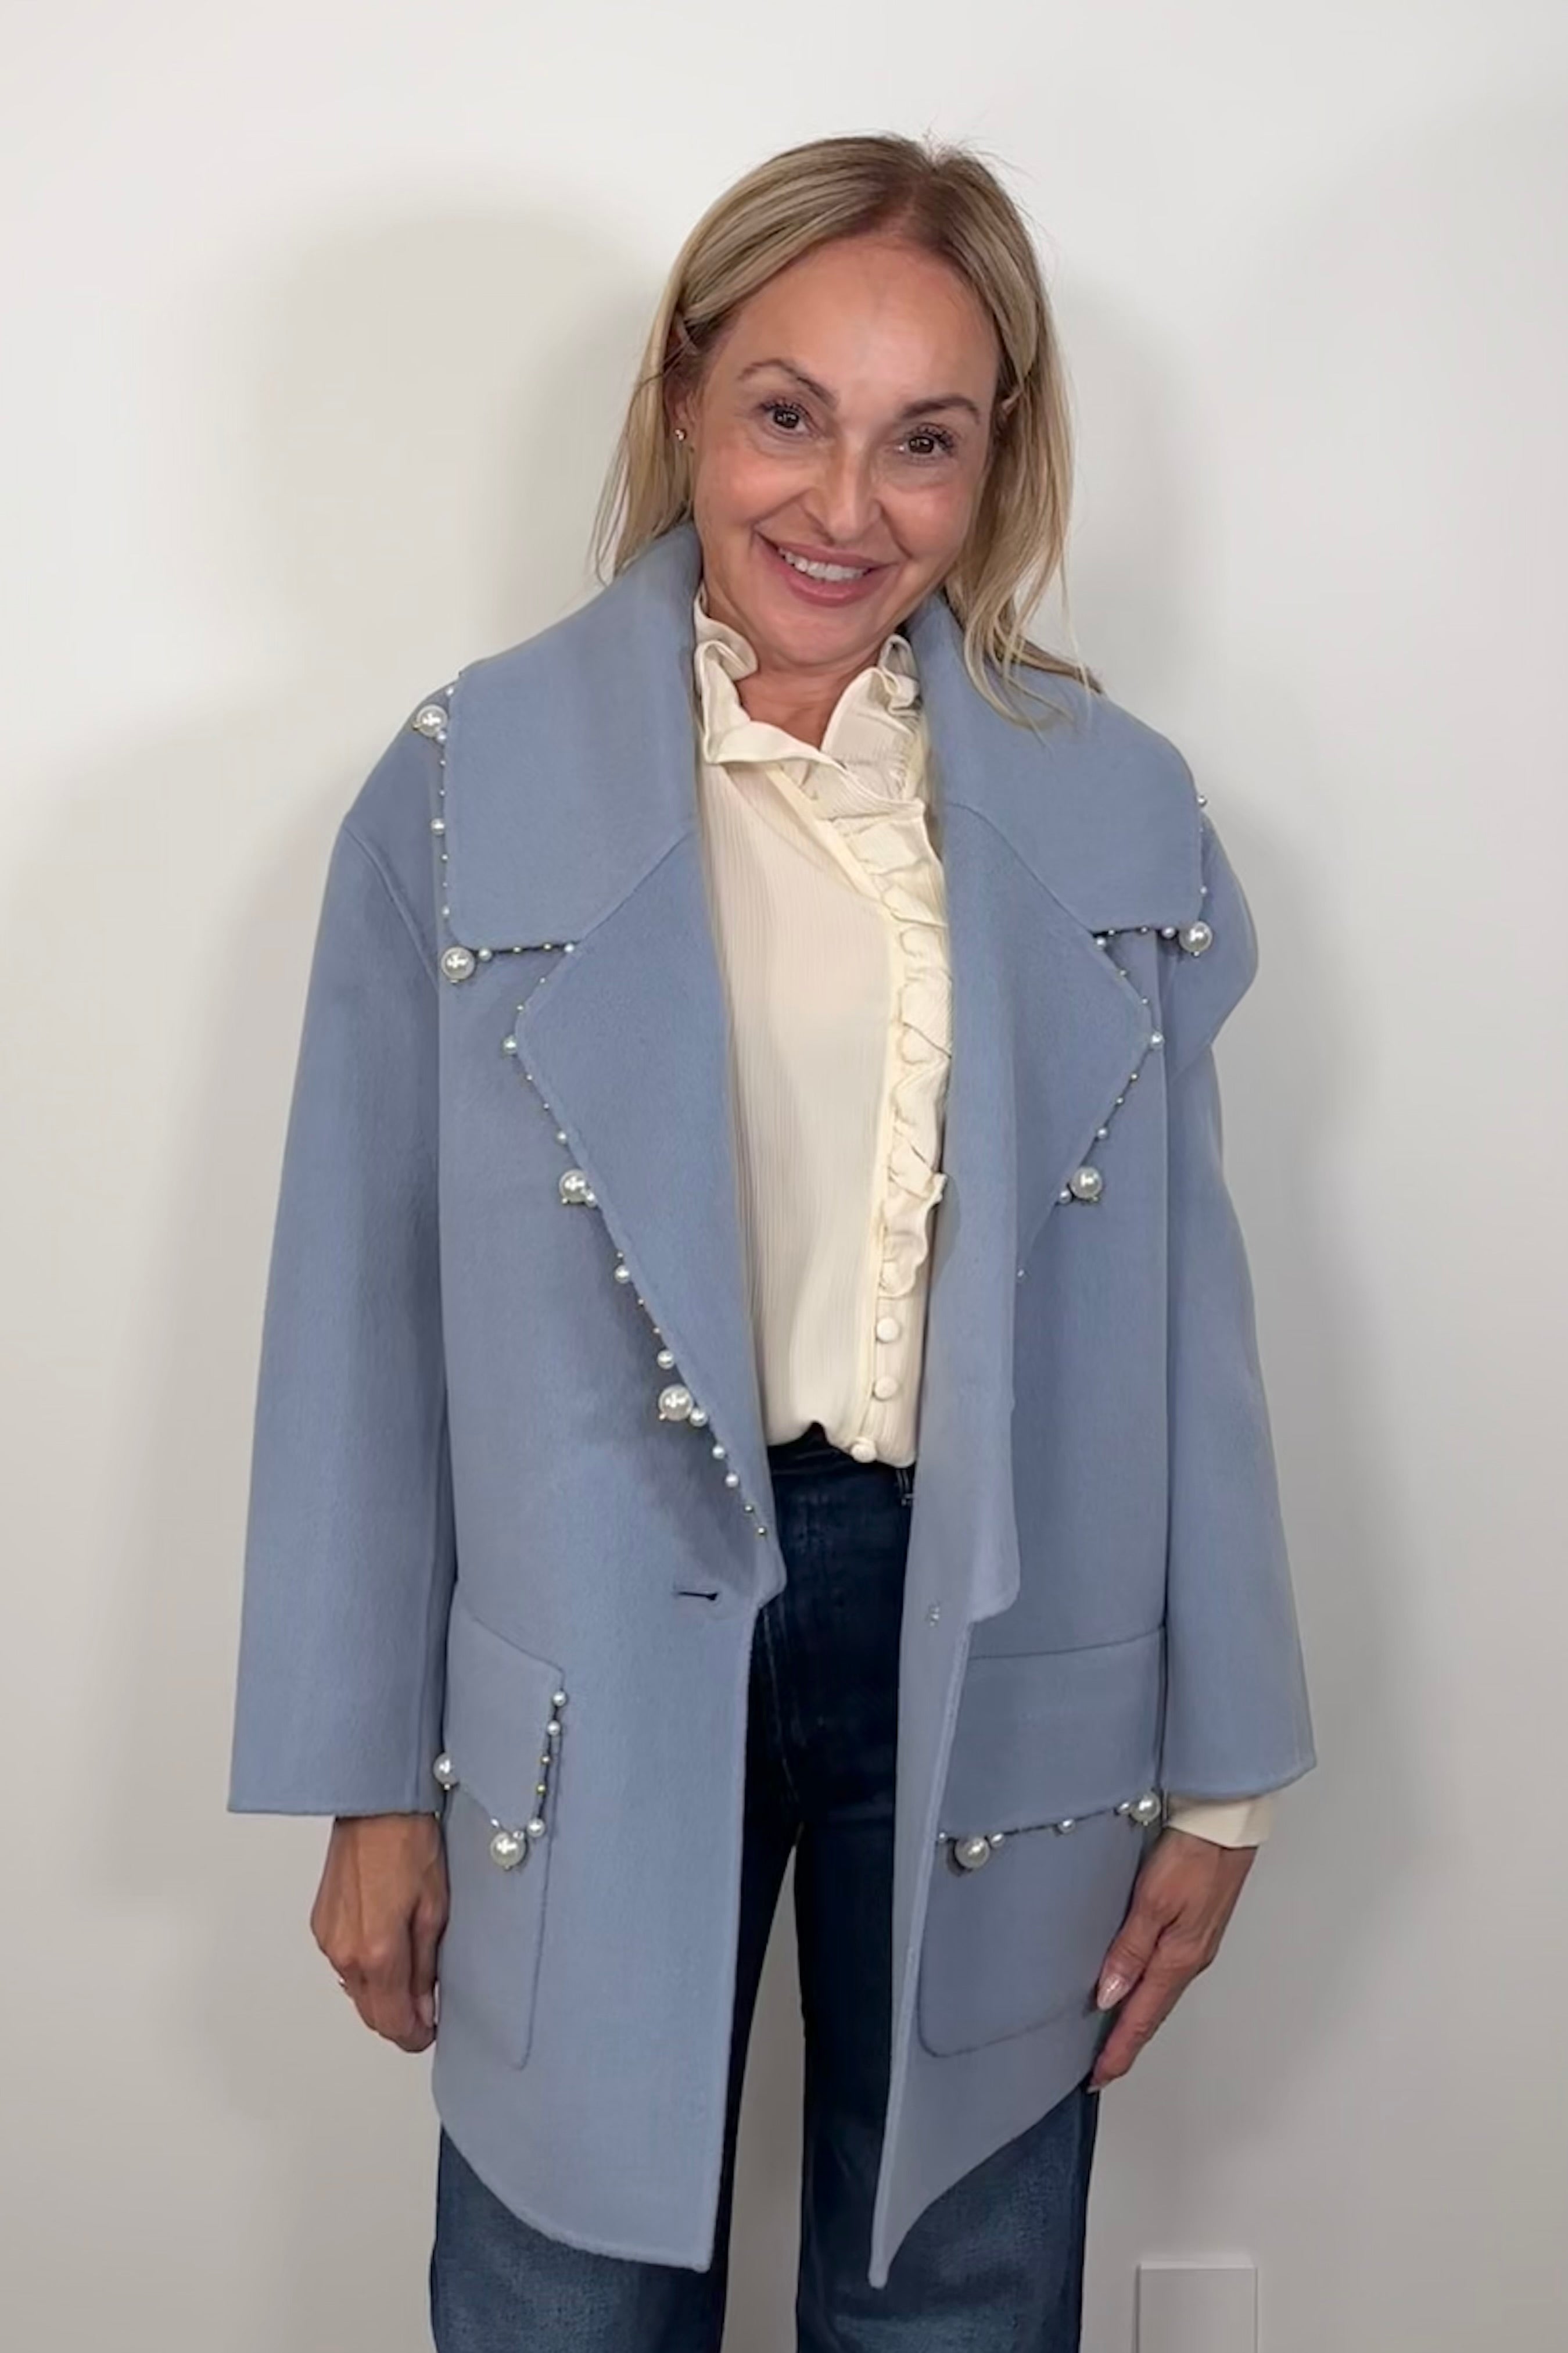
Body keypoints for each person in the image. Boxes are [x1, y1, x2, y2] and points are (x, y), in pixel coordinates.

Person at [229, 131, 1315, 2352]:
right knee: (563, 2284)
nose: (844, 509)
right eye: (786, 413)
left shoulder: (1111, 805)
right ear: (683, 402)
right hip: (593, 1619)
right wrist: (362, 1781)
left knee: (959, 2277)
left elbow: (1184, 1311)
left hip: (997, 1606)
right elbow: (360, 1307)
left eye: (925, 440)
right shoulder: (463, 784)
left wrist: (1222, 1773)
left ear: (998, 461)